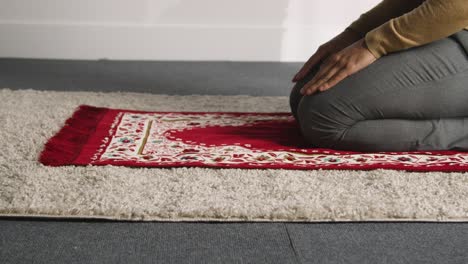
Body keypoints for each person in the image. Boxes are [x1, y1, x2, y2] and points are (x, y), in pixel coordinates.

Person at [289, 0, 468, 152]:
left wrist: (373, 45)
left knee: (322, 118)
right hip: (449, 28)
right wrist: (354, 34)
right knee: (303, 96)